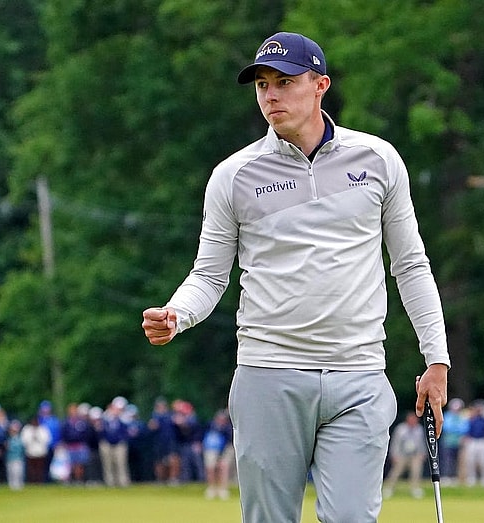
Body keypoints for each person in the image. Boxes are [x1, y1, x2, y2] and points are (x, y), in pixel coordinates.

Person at [142, 31, 450, 523]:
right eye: (262, 84)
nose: (271, 95)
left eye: (284, 82)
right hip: (268, 373)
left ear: (320, 84)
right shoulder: (233, 175)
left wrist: (437, 359)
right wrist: (177, 313)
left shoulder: (378, 160)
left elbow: (411, 264)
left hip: (359, 373)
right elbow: (209, 274)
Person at [383, 412, 426, 499]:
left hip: (414, 455)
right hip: (402, 455)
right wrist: (394, 455)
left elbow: (422, 443)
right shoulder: (401, 429)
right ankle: (388, 489)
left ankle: (415, 489)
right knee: (395, 472)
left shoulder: (419, 429)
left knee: (416, 471)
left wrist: (422, 453)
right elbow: (395, 443)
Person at [202, 409, 234, 500]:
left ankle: (223, 489)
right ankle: (211, 488)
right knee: (210, 467)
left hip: (225, 450)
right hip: (212, 449)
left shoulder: (228, 428)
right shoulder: (211, 426)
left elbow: (229, 441)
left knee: (223, 467)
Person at [463, 401, 484, 487]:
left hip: (483, 441)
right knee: (471, 461)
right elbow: (467, 430)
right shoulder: (472, 420)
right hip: (473, 440)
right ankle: (471, 478)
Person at [439, 397, 468, 485]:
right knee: (448, 461)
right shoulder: (447, 415)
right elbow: (446, 427)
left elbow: (465, 428)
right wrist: (457, 430)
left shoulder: (463, 416)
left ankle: (458, 477)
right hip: (448, 442)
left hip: (460, 442)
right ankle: (447, 477)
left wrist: (456, 430)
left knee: (459, 461)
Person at [20, 415, 52, 484]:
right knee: (31, 470)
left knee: (40, 469)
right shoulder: (27, 429)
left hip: (40, 453)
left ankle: (40, 482)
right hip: (30, 453)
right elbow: (24, 440)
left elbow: (47, 440)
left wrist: (38, 437)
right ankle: (31, 482)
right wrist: (31, 437)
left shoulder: (43, 429)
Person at [5, 420, 25, 490]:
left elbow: (20, 448)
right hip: (10, 458)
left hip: (18, 458)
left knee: (17, 473)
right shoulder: (9, 439)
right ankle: (12, 485)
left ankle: (18, 486)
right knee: (10, 472)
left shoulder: (19, 439)